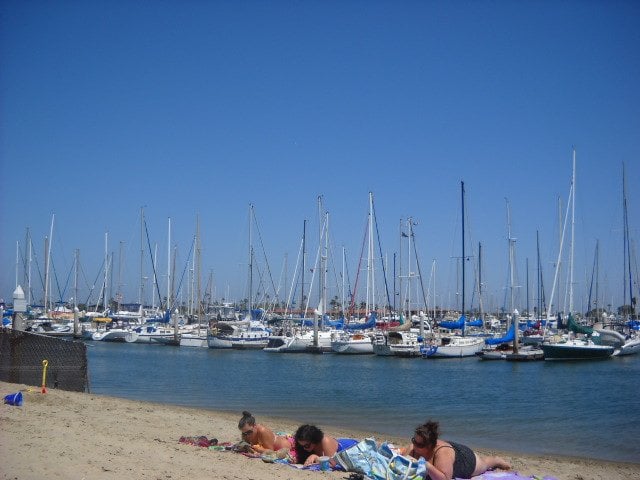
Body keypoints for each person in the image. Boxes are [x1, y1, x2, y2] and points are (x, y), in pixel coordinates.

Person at [400, 420, 511, 480]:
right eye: (414, 440)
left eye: (419, 444)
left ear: (430, 445)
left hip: (464, 460)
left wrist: (427, 466)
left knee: (483, 464)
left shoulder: (442, 453)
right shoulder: (413, 448)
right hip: (449, 452)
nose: (414, 445)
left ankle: (496, 460)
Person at [294, 424, 358, 466]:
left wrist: (315, 457)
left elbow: (332, 464)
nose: (304, 448)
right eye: (301, 446)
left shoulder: (325, 441)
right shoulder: (308, 446)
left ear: (314, 440)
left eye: (306, 446)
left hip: (350, 446)